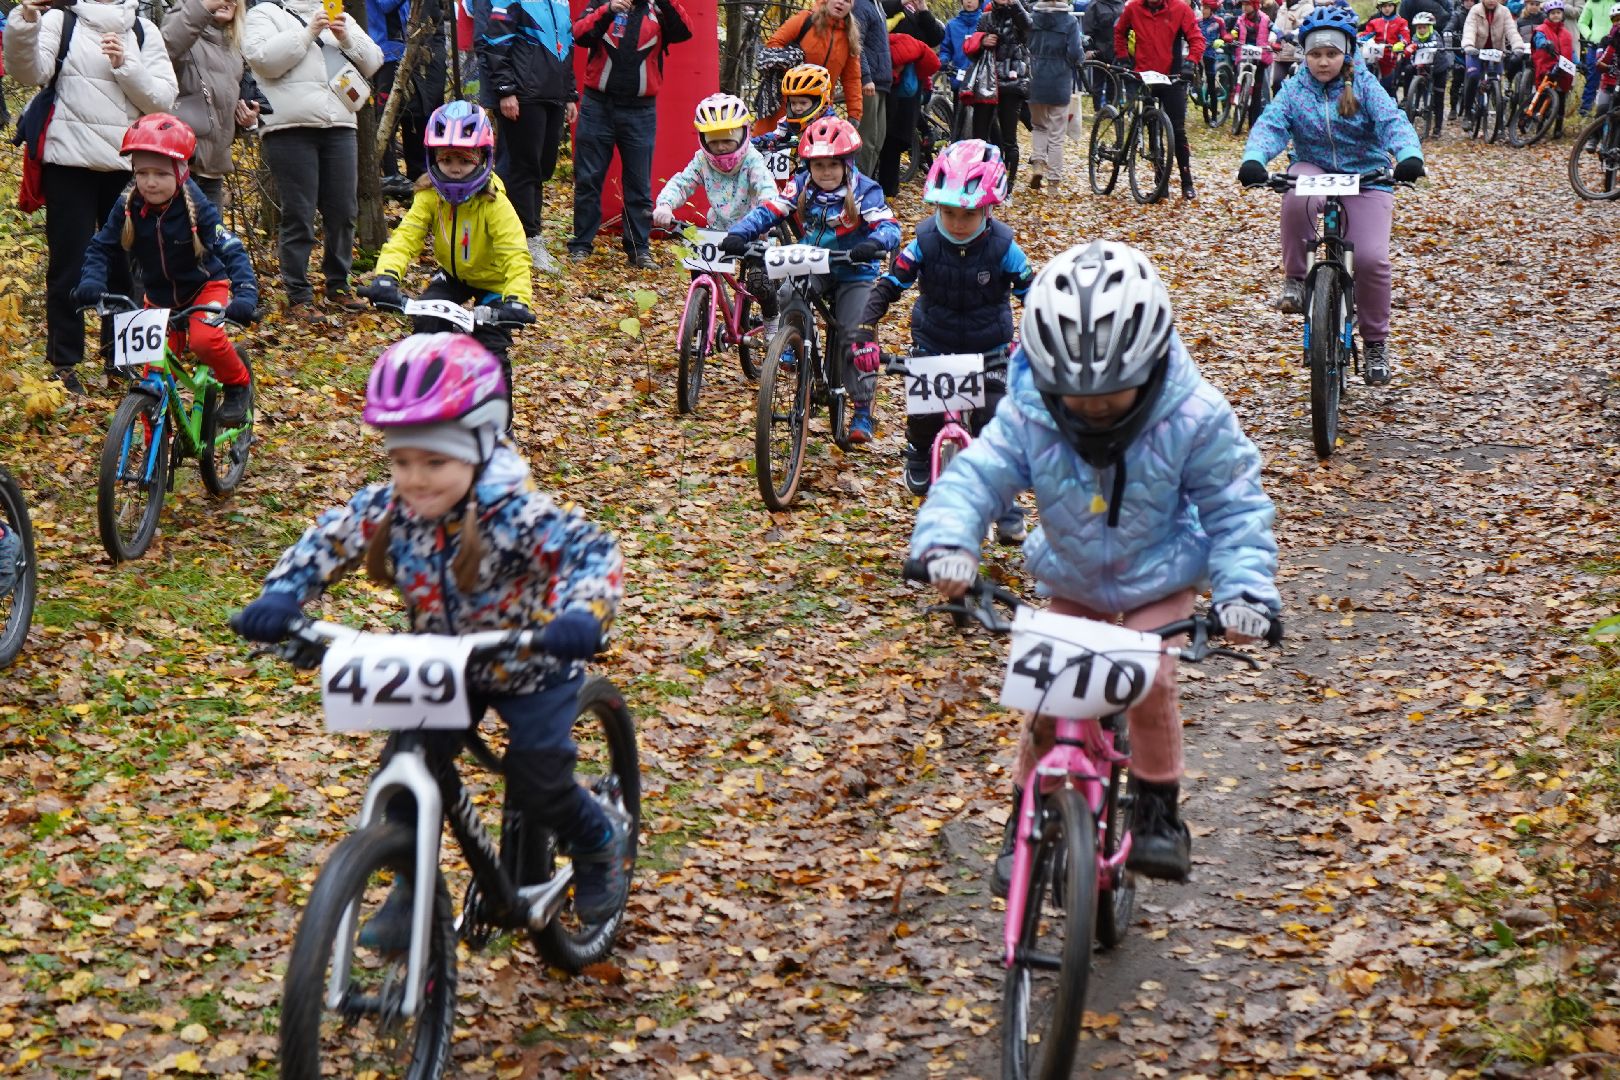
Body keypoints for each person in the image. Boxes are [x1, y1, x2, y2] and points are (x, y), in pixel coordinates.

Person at [908, 241, 1282, 893]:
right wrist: (949, 544)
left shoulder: (1194, 414)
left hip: (1159, 575)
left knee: (1151, 676)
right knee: (1050, 693)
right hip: (1073, 577)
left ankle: (1159, 811)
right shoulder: (1029, 410)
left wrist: (1244, 590)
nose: (1093, 408)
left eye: (1112, 393)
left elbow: (1235, 504)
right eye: (1075, 396)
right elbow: (975, 476)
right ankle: (1022, 811)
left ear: (1153, 362)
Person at [230, 333, 631, 935]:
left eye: (434, 462)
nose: (414, 479)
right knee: (404, 776)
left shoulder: (514, 513)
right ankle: (410, 885)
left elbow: (589, 552)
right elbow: (330, 539)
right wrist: (282, 596)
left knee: (539, 779)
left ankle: (599, 839)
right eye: (401, 460)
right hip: (444, 665)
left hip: (530, 664)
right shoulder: (392, 506)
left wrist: (581, 617)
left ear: (478, 450)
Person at [851, 139, 1033, 541]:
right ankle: (918, 451)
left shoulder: (1005, 249)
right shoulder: (925, 243)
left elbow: (1034, 296)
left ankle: (1004, 500)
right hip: (935, 345)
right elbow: (888, 286)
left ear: (989, 209)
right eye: (946, 212)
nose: (955, 223)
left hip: (989, 351)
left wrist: (1037, 342)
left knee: (994, 420)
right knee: (925, 416)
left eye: (966, 214)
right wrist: (864, 331)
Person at [1238, 4, 1423, 385]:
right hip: (1315, 167)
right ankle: (1294, 279)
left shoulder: (1366, 86)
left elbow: (1393, 121)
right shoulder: (1294, 89)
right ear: (1304, 55)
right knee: (1296, 194)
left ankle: (1374, 343)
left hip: (1366, 175)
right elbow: (1271, 125)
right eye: (1316, 54)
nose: (1323, 62)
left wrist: (1408, 156)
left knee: (1371, 259)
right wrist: (1255, 159)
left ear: (1347, 54)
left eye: (1332, 54)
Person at [5, 0, 177, 394]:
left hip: (127, 166)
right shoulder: (61, 22)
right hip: (69, 163)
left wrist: (126, 66)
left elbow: (163, 100)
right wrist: (26, 22)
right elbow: (26, 70)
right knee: (70, 265)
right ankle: (64, 364)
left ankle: (123, 361)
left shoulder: (143, 31)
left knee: (125, 266)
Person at [718, 116, 900, 443]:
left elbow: (889, 226)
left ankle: (861, 408)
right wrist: (740, 233)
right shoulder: (801, 184)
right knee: (787, 290)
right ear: (808, 166)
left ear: (846, 164)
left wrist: (873, 243)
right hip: (812, 261)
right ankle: (795, 345)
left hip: (852, 268)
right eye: (818, 165)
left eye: (832, 164)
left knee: (854, 332)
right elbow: (771, 209)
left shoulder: (865, 191)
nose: (825, 172)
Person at [75, 115, 257, 423]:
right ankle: (154, 454)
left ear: (180, 173)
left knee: (204, 340)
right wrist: (91, 281)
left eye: (159, 173)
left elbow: (231, 250)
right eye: (142, 172)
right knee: (150, 379)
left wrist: (246, 295)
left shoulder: (197, 206)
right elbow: (101, 246)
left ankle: (238, 385)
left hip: (204, 288)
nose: (149, 182)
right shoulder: (128, 204)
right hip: (158, 298)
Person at [359, 101, 534, 405]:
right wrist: (386, 276)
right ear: (433, 159)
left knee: (490, 346)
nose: (454, 168)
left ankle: (500, 425)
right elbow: (406, 237)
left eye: (464, 160)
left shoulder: (495, 204)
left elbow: (515, 254)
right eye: (447, 159)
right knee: (426, 325)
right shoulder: (430, 196)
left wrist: (517, 300)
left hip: (493, 283)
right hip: (453, 276)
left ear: (482, 159)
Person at [244, 0, 384, 314]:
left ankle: (338, 285)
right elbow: (263, 60)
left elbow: (374, 61)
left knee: (343, 211)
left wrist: (346, 36)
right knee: (299, 213)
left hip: (339, 124)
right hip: (289, 127)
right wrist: (308, 33)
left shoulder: (339, 14)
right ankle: (298, 295)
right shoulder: (264, 13)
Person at [568, 0, 693, 269]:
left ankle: (639, 249)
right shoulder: (603, 3)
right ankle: (580, 245)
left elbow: (684, 31)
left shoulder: (658, 8)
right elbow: (579, 34)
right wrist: (608, 10)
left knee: (638, 184)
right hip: (597, 104)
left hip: (640, 110)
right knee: (588, 178)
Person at [652, 93, 780, 337]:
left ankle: (772, 319)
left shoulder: (752, 160)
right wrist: (665, 205)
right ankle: (701, 317)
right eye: (714, 139)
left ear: (743, 133)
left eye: (728, 138)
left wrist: (767, 215)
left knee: (758, 282)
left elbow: (767, 189)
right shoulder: (702, 160)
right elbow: (683, 182)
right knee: (699, 271)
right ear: (703, 138)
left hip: (754, 231)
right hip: (717, 231)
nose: (721, 146)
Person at [476, 0, 574, 273]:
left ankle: (526, 235)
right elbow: (494, 41)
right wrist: (505, 90)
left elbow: (566, 45)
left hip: (552, 94)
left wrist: (570, 93)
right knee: (521, 170)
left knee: (541, 169)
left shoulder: (560, 2)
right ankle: (525, 240)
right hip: (523, 95)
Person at [163, 0, 256, 209]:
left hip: (213, 172)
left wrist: (246, 122)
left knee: (210, 241)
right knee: (172, 240)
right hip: (177, 166)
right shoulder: (184, 25)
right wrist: (204, 6)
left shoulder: (233, 52)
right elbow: (168, 46)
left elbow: (220, 113)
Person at [1115, 0, 1206, 198]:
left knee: (1178, 130)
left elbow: (1197, 39)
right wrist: (1122, 58)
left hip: (1172, 77)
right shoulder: (1133, 8)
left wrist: (1191, 62)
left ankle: (1186, 182)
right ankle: (1160, 182)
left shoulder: (1180, 9)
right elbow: (1119, 32)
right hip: (1145, 75)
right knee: (1153, 128)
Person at [754, 0, 865, 139]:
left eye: (847, 0)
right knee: (767, 147)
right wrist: (791, 60)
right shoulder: (805, 20)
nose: (841, 2)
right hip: (787, 101)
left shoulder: (850, 37)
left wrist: (854, 113)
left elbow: (852, 79)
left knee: (812, 155)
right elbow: (773, 44)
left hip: (820, 109)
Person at [370, 0, 447, 200]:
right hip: (384, 51)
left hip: (405, 50)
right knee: (386, 119)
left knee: (415, 114)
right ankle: (391, 176)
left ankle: (417, 176)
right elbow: (386, 5)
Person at [964, 0, 1032, 185]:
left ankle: (1007, 186)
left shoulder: (1021, 13)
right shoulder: (985, 18)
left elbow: (1029, 29)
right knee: (979, 137)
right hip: (987, 84)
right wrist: (982, 42)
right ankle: (981, 181)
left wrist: (1014, 4)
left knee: (1010, 139)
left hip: (1012, 83)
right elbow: (972, 54)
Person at [878, 28, 944, 196]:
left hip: (910, 93)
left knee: (892, 140)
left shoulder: (897, 45)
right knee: (895, 138)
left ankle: (889, 190)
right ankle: (889, 189)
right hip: (911, 93)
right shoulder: (905, 44)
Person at [1025, 0, 1083, 189]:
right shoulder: (1070, 22)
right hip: (1059, 79)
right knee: (1057, 133)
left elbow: (1025, 45)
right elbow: (1075, 52)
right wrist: (1078, 59)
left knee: (1039, 126)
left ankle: (1039, 163)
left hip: (1035, 77)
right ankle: (1053, 182)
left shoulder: (1031, 19)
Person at [1461, 0, 1526, 115]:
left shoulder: (1505, 11)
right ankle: (1467, 113)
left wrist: (1518, 47)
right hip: (1476, 51)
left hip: (1496, 52)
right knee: (1473, 77)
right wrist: (1469, 46)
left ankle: (1499, 119)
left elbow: (1511, 31)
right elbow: (1469, 29)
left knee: (1497, 81)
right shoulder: (1475, 10)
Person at [752, 63, 836, 151]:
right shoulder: (787, 123)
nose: (797, 108)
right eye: (793, 103)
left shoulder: (832, 127)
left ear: (820, 103)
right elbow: (774, 137)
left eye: (803, 103)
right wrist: (752, 144)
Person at [853, 0, 893, 176]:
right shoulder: (861, 5)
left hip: (882, 83)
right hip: (870, 83)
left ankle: (866, 184)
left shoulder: (877, 5)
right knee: (867, 141)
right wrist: (865, 77)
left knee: (878, 141)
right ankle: (856, 187)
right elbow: (856, 44)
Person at [1226, 0, 1275, 123]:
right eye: (1243, 4)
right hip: (1243, 52)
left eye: (1247, 4)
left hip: (1260, 55)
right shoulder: (1240, 19)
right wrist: (1231, 36)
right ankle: (1236, 94)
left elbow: (1275, 29)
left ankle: (1254, 122)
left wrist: (1278, 38)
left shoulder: (1265, 19)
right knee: (1237, 74)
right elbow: (1235, 31)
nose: (1244, 7)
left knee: (1257, 90)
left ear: (1255, 5)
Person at [1532, 0, 1577, 133]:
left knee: (1561, 97)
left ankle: (1558, 126)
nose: (1556, 15)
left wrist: (1578, 63)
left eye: (1558, 13)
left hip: (1562, 69)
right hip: (1547, 66)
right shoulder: (1542, 29)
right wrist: (1545, 43)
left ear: (1562, 15)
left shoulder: (1566, 34)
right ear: (1548, 15)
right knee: (1544, 94)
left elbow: (1571, 51)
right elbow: (1538, 41)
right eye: (1553, 13)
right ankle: (1539, 123)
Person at [1406, 10, 1454, 130]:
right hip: (1422, 66)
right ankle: (1409, 100)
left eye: (1424, 27)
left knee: (1439, 96)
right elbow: (1411, 51)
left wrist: (1415, 47)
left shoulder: (1435, 36)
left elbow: (1435, 45)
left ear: (1430, 27)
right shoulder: (1415, 37)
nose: (1422, 30)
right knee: (1408, 71)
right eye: (1419, 28)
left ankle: (1437, 127)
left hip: (1439, 68)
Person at [940, 0, 985, 123]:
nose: (969, 1)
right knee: (958, 121)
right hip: (959, 78)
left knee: (985, 123)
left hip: (982, 80)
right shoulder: (952, 25)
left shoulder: (986, 22)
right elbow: (945, 49)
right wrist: (943, 60)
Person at [1360, 0, 1411, 92]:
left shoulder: (1401, 22)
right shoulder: (1375, 22)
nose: (1387, 9)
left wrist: (1401, 44)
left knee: (1388, 87)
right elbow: (1366, 35)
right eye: (1384, 6)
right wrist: (1355, 39)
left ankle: (1392, 101)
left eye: (1389, 6)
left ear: (1395, 7)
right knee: (1365, 76)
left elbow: (1405, 38)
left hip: (1391, 58)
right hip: (1375, 56)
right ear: (1380, 8)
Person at [1576, 0, 1614, 114]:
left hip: (1615, 45)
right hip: (1595, 45)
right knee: (1592, 77)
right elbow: (1582, 22)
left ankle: (1611, 110)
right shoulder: (1591, 3)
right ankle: (1585, 109)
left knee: (1614, 77)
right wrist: (1589, 35)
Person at [1272, 0, 1315, 91]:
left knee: (1298, 82)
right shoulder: (1282, 8)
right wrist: (1272, 40)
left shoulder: (1308, 7)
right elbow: (1276, 27)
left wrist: (1295, 23)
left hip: (1299, 51)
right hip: (1282, 50)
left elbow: (1308, 26)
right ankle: (1278, 103)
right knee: (1277, 82)